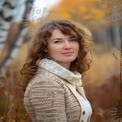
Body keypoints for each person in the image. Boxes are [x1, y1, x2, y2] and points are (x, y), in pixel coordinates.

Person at [20, 18, 93, 122]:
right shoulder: (46, 84)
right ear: (45, 47)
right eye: (58, 41)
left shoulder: (68, 78)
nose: (68, 46)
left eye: (72, 39)